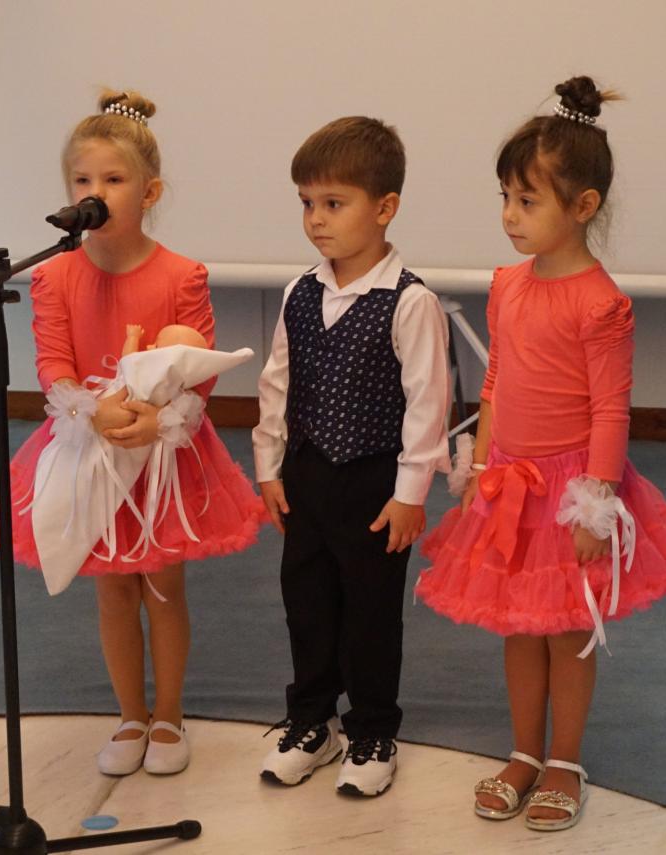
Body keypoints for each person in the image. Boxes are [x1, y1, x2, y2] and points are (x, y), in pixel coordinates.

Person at [414, 76, 666, 832]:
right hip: (510, 482)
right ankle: (523, 752)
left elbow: (610, 409)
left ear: (583, 207)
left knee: (568, 627)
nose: (509, 215)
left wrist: (596, 504)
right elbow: (497, 379)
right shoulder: (507, 285)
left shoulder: (600, 303)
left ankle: (565, 760)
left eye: (527, 200)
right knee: (519, 624)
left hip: (572, 488)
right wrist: (481, 466)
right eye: (505, 197)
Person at [0, 88, 266, 778]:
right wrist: (89, 409)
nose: (94, 192)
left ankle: (169, 714)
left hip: (161, 452)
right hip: (89, 445)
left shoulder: (181, 275)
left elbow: (199, 370)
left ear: (149, 191)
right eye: (82, 180)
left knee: (162, 586)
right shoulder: (55, 276)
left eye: (112, 179)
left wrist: (157, 417)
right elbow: (53, 361)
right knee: (112, 589)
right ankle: (130, 713)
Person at [252, 116, 451, 797]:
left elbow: (427, 404)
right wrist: (269, 466)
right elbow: (277, 383)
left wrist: (410, 493)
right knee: (306, 603)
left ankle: (372, 730)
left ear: (385, 207)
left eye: (334, 203)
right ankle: (311, 721)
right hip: (307, 474)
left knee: (370, 612)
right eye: (307, 202)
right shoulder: (299, 293)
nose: (316, 219)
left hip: (374, 481)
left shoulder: (410, 302)